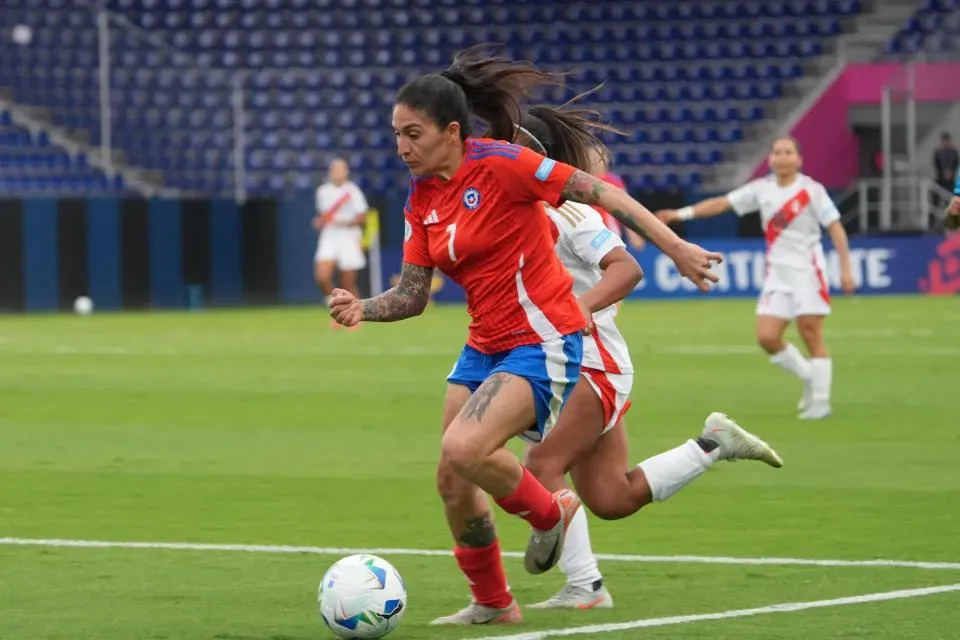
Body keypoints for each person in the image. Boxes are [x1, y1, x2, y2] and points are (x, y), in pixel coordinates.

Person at [329, 45, 722, 622]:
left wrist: (676, 246)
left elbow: (603, 193)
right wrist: (362, 307)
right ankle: (493, 603)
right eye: (396, 135)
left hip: (542, 340)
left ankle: (552, 513)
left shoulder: (504, 164)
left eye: (413, 134)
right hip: (483, 345)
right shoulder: (422, 196)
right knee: (452, 477)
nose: (402, 147)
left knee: (464, 447)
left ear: (452, 131)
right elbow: (413, 294)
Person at [427, 104, 783, 620]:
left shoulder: (570, 212)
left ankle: (584, 584)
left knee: (541, 466)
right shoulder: (506, 207)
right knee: (612, 497)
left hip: (591, 363)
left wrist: (579, 308)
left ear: (532, 154)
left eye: (507, 144)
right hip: (552, 357)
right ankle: (711, 445)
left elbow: (626, 268)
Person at [658, 137, 854, 420]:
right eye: (777, 152)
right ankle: (809, 377)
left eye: (788, 152)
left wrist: (846, 268)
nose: (782, 157)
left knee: (810, 333)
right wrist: (680, 213)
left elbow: (835, 228)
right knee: (767, 337)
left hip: (808, 273)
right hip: (777, 275)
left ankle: (821, 403)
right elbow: (722, 203)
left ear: (798, 159)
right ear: (770, 159)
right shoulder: (761, 189)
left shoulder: (812, 191)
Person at [313, 158, 369, 325]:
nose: (337, 173)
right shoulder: (322, 191)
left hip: (349, 237)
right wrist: (320, 221)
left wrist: (343, 223)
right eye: (334, 169)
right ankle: (337, 307)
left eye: (340, 169)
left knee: (348, 282)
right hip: (329, 236)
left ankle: (354, 317)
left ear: (346, 172)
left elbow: (363, 217)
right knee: (322, 276)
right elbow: (324, 215)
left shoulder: (353, 191)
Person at [934, 132, 959, 210]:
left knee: (952, 198)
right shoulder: (938, 152)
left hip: (951, 180)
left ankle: (951, 213)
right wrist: (943, 173)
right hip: (941, 179)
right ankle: (932, 216)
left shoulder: (954, 152)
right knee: (936, 197)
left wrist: (951, 173)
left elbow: (956, 164)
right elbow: (936, 164)